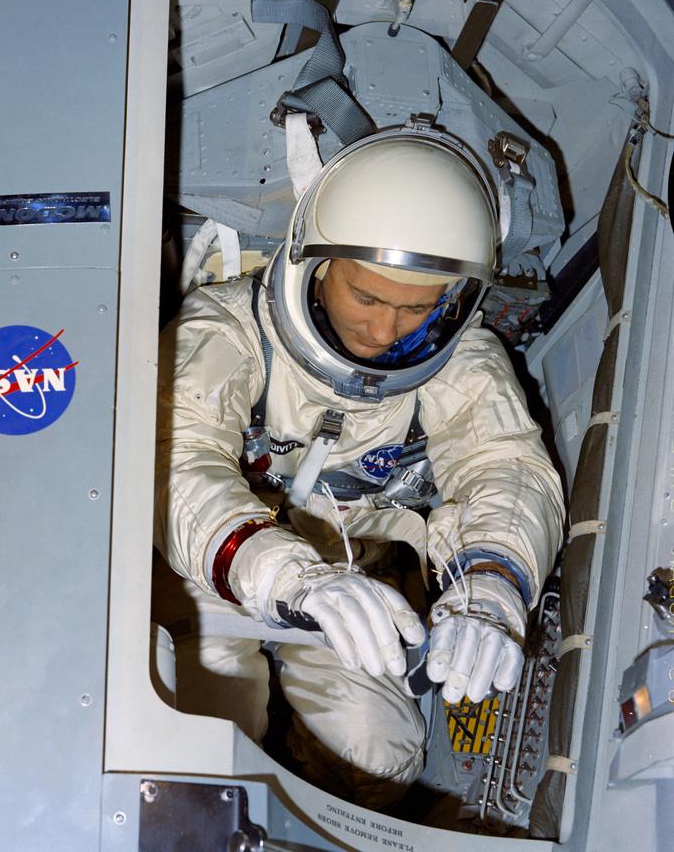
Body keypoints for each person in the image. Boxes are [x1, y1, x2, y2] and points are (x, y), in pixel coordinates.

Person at [155, 122, 565, 807]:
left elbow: (504, 466)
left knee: (378, 758)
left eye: (416, 306)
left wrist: (491, 582)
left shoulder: (459, 360)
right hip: (217, 573)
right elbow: (178, 458)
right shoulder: (227, 328)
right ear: (315, 263)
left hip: (354, 579)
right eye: (366, 297)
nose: (384, 332)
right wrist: (285, 573)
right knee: (202, 744)